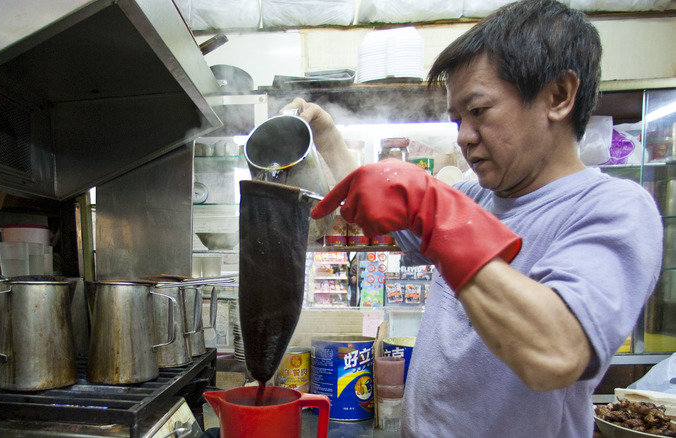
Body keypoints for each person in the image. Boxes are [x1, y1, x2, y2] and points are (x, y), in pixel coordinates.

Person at [284, 0, 664, 436]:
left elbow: (556, 355)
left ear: (558, 96)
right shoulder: (477, 194)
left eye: (478, 111)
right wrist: (328, 135)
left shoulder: (614, 208)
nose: (463, 136)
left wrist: (437, 211)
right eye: (457, 118)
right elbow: (380, 212)